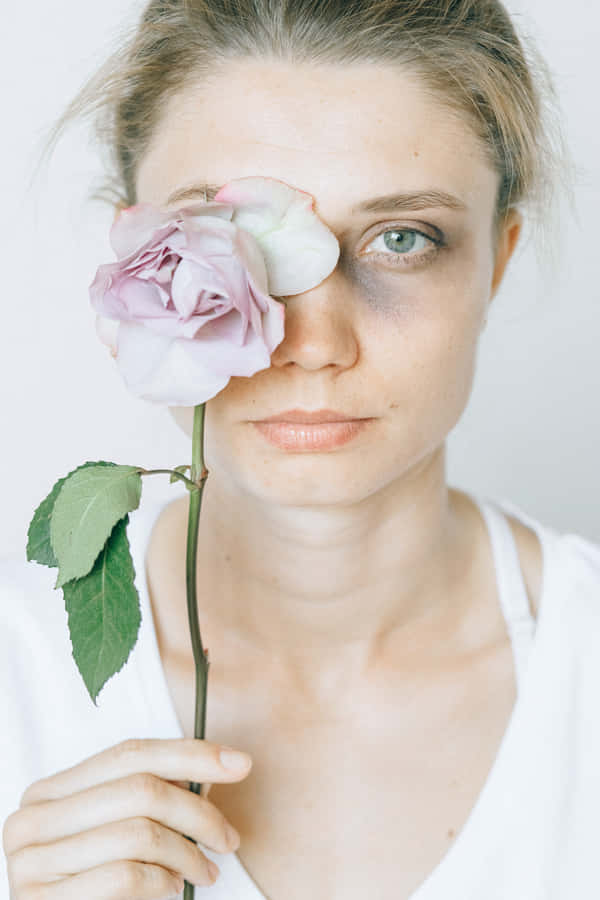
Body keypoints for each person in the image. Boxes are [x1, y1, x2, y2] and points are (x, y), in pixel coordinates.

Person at [2, 1, 599, 898]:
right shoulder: (18, 679)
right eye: (230, 242)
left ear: (497, 260)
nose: (310, 341)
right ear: (134, 274)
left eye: (402, 240)